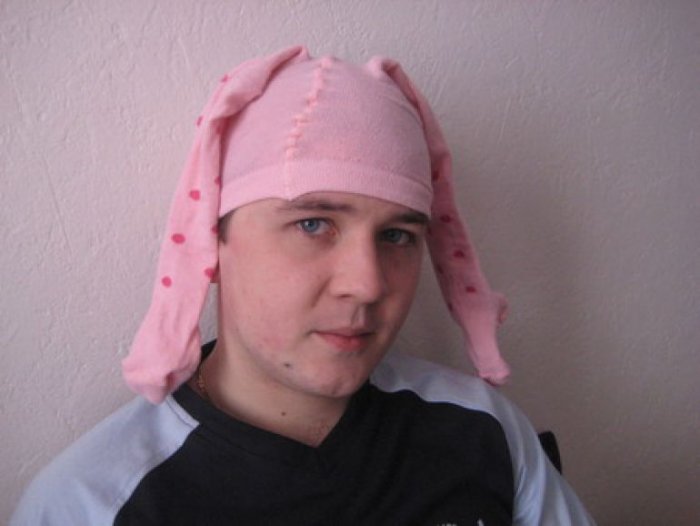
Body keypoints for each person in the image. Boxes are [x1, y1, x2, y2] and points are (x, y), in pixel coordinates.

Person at [11, 46, 595, 525]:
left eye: (397, 235)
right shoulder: (90, 505)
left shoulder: (483, 429)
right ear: (214, 238)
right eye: (313, 224)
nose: (367, 285)